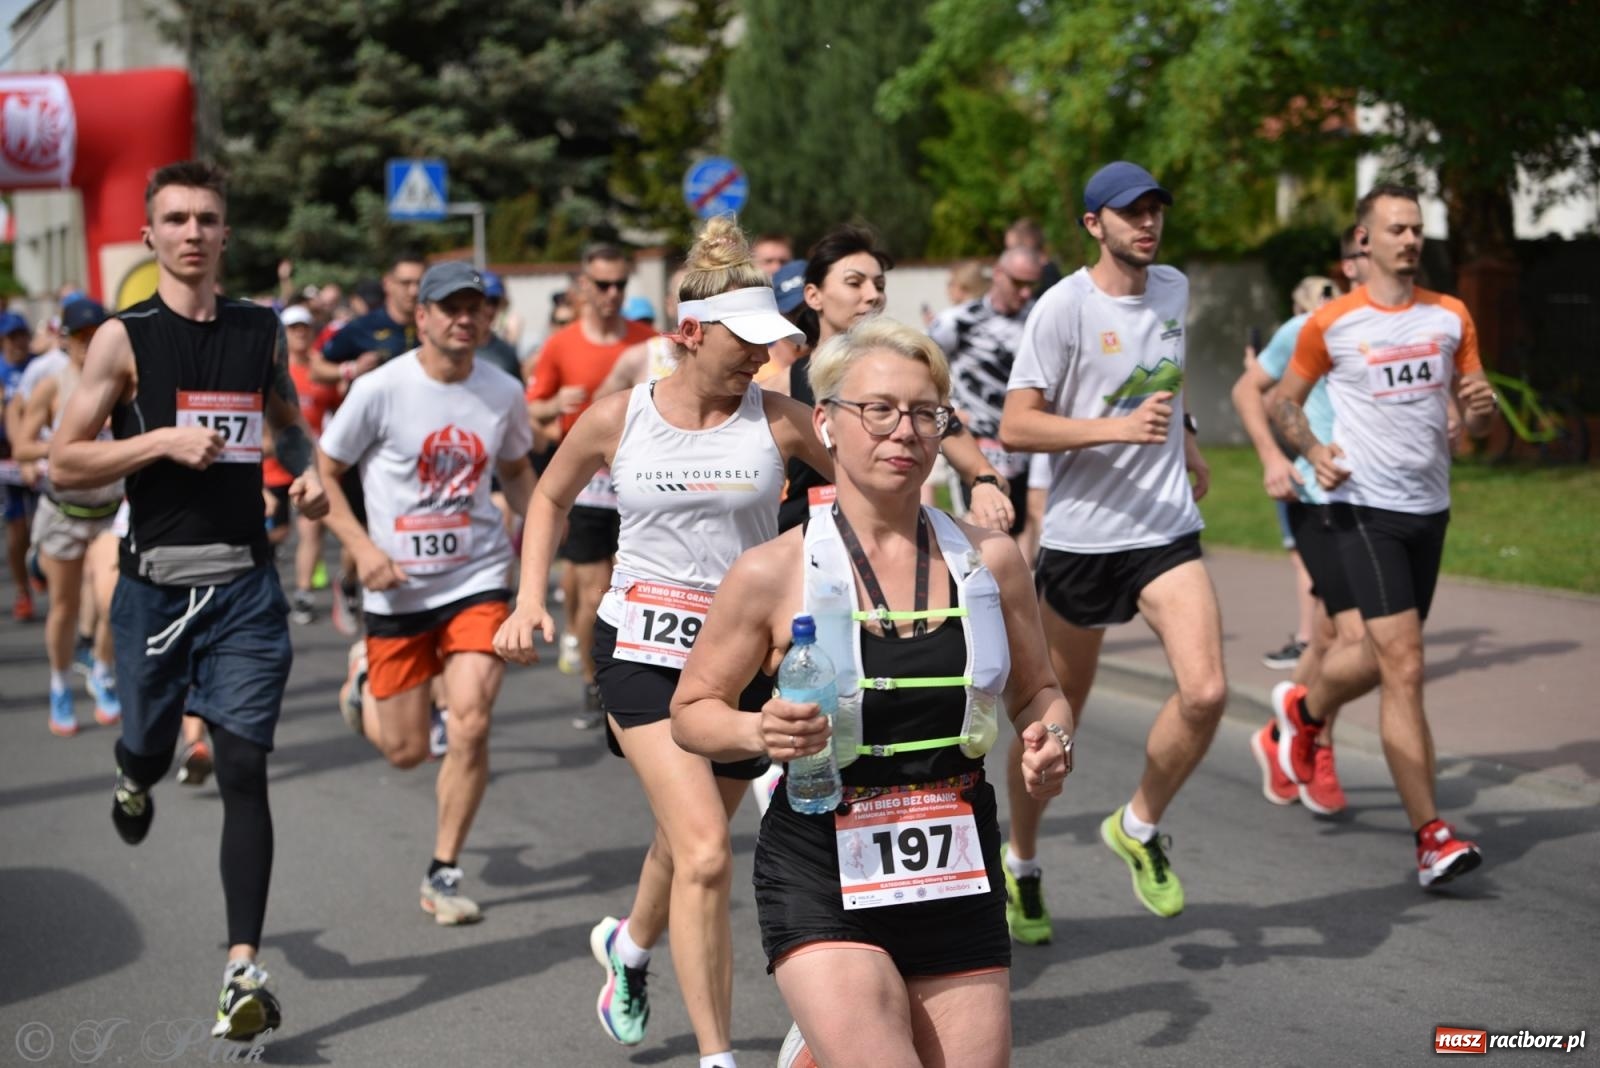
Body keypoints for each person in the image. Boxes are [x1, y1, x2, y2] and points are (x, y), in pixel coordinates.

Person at [670, 318, 1075, 1068]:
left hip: (955, 861)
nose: (905, 432)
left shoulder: (990, 564)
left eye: (926, 414)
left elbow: (1041, 691)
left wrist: (1053, 736)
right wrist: (762, 733)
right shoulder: (771, 572)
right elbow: (691, 715)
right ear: (825, 421)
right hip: (823, 860)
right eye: (879, 410)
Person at [494, 215, 827, 1068]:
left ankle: (628, 947)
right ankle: (719, 1059)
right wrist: (531, 598)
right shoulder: (620, 417)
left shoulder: (786, 421)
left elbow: (873, 484)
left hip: (739, 665)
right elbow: (549, 498)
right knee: (710, 852)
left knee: (682, 839)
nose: (761, 355)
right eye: (745, 341)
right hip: (639, 649)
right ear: (688, 332)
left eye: (769, 340)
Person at [48, 159, 329, 1041]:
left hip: (246, 584)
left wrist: (308, 472)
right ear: (150, 236)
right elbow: (64, 459)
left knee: (244, 768)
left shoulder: (256, 331)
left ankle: (240, 967)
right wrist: (159, 441)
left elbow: (282, 417)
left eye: (208, 219)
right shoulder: (121, 341)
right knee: (148, 743)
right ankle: (135, 778)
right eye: (176, 220)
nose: (193, 234)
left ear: (225, 234)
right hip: (153, 589)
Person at [999, 160, 1225, 932]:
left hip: (1164, 529)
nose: (1148, 224)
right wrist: (1116, 429)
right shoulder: (1061, 309)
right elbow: (1017, 425)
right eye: (1131, 213)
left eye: (1156, 210)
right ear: (1094, 225)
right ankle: (1021, 865)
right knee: (1053, 729)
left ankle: (1137, 827)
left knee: (1207, 692)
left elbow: (1169, 374)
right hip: (1084, 541)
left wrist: (1185, 437)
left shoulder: (1174, 289)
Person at [1270, 183, 1495, 886]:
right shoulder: (1332, 323)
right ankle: (1432, 838)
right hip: (1362, 507)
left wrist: (1480, 414)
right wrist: (1311, 451)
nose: (1410, 239)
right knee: (1406, 664)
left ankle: (1303, 710)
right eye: (1396, 228)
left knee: (1378, 656)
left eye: (1417, 228)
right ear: (1364, 240)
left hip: (1431, 509)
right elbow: (1283, 402)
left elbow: (1475, 418)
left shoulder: (1452, 316)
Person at [318, 260, 535, 925]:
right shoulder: (381, 389)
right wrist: (361, 550)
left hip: (477, 577)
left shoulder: (502, 391)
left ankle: (443, 870)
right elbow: (324, 471)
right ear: (423, 316)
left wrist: (538, 566)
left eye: (476, 306)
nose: (464, 318)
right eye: (450, 307)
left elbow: (518, 471)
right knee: (407, 752)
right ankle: (364, 677)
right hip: (396, 590)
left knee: (469, 719)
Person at [1232, 233, 1379, 814]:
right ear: (1351, 264)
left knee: (1324, 636)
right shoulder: (1311, 326)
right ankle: (1314, 742)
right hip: (1318, 499)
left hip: (1378, 504)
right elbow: (1250, 390)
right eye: (1377, 246)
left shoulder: (1402, 329)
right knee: (1356, 639)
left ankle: (1279, 737)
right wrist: (1274, 457)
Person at [775, 225, 1016, 536]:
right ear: (814, 295)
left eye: (879, 285)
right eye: (854, 283)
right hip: (806, 555)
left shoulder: (910, 381)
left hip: (891, 551)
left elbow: (984, 472)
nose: (873, 295)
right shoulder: (780, 388)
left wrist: (986, 489)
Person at [524, 244, 656, 729]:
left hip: (641, 483)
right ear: (584, 286)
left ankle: (617, 674)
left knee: (614, 586)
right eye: (602, 285)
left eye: (620, 284)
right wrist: (554, 401)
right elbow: (530, 409)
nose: (612, 294)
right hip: (585, 484)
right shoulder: (561, 345)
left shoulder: (648, 341)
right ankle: (590, 677)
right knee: (586, 590)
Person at [12, 298, 123, 736]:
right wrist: (65, 445)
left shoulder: (122, 380)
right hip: (63, 512)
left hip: (110, 512)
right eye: (81, 336)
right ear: (67, 339)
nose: (89, 343)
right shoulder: (53, 386)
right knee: (64, 605)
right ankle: (59, 682)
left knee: (115, 599)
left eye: (97, 334)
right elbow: (21, 445)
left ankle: (102, 668)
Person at [320, 249, 426, 636]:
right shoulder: (362, 328)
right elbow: (317, 365)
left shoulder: (430, 325)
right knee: (363, 531)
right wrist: (348, 369)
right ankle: (350, 583)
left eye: (419, 282)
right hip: (367, 448)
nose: (413, 291)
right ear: (388, 285)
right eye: (405, 282)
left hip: (417, 446)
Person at [929, 246, 1046, 536]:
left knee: (1017, 530)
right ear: (998, 275)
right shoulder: (958, 321)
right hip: (976, 445)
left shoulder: (1039, 321)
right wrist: (949, 409)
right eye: (1018, 283)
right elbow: (920, 366)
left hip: (1022, 447)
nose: (1024, 293)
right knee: (979, 530)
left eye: (1031, 285)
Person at [274, 304, 345, 625]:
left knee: (311, 527)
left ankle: (302, 594)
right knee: (278, 532)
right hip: (272, 466)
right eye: (293, 329)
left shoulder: (322, 373)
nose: (300, 334)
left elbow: (339, 413)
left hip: (308, 463)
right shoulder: (274, 372)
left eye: (305, 328)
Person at [1, 311, 39, 620]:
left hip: (38, 456)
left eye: (22, 336)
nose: (19, 342)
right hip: (6, 460)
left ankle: (41, 566)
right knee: (16, 528)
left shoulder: (39, 367)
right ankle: (23, 590)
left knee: (41, 521)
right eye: (13, 337)